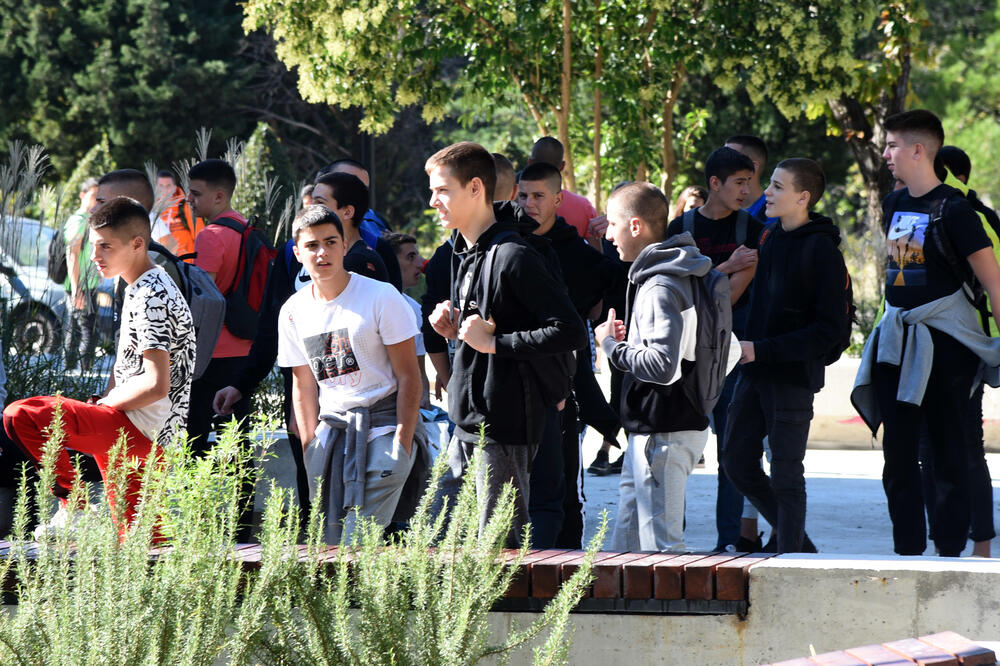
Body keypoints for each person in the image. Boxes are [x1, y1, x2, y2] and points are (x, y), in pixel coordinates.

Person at [853, 110, 1000, 557]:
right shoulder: (897, 204)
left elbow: (993, 283)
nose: (885, 155)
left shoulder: (956, 210)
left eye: (892, 145)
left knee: (949, 451)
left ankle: (952, 553)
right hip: (898, 342)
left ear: (919, 150)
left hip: (949, 348)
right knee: (897, 456)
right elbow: (902, 277)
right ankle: (908, 551)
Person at [3, 197, 195, 536]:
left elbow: (156, 383)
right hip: (148, 434)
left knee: (21, 415)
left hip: (137, 430)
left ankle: (75, 505)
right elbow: (130, 366)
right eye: (93, 246)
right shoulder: (141, 284)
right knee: (144, 545)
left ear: (138, 244)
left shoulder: (151, 293)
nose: (94, 256)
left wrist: (105, 406)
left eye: (105, 246)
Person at [428, 141, 586, 547]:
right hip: (466, 421)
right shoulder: (464, 252)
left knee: (500, 551)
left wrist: (496, 343)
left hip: (504, 425)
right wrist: (456, 327)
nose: (434, 201)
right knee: (445, 539)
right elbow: (485, 328)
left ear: (476, 188)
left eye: (442, 190)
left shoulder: (514, 254)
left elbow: (568, 329)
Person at [277, 205, 423, 544]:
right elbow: (303, 386)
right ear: (298, 253)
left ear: (345, 245)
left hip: (384, 426)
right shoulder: (293, 311)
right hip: (332, 436)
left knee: (357, 543)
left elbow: (410, 376)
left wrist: (402, 444)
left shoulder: (381, 297)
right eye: (312, 245)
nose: (322, 252)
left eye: (330, 242)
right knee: (331, 545)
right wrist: (311, 446)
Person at [721, 158, 846, 554]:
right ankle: (798, 544)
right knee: (736, 461)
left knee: (786, 474)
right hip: (753, 371)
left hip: (791, 379)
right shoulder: (770, 236)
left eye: (777, 186)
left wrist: (764, 350)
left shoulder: (823, 250)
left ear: (803, 197)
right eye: (769, 184)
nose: (767, 193)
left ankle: (790, 556)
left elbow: (829, 332)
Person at [597, 181, 729, 552]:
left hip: (664, 432)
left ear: (635, 226)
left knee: (661, 553)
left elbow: (662, 365)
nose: (608, 235)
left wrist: (610, 346)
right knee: (626, 547)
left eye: (612, 224)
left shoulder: (660, 284)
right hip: (658, 429)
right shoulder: (684, 272)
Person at [517, 161, 621, 548]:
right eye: (523, 195)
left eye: (539, 196)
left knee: (561, 490)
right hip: (511, 385)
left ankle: (563, 566)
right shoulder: (504, 245)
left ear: (558, 199)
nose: (530, 204)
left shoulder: (579, 254)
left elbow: (610, 293)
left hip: (563, 386)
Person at [666, 146, 763, 552]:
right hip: (686, 356)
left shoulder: (753, 231)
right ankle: (672, 539)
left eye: (750, 182)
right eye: (740, 182)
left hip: (733, 355)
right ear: (715, 184)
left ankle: (728, 544)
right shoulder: (679, 227)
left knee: (733, 453)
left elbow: (723, 297)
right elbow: (674, 290)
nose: (748, 190)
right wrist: (723, 270)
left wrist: (704, 278)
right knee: (676, 453)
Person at [185, 159, 255, 456]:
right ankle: (244, 503)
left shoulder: (210, 235)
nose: (189, 200)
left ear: (219, 196)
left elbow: (204, 299)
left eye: (196, 193)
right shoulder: (247, 229)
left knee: (195, 437)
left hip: (213, 352)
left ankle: (196, 501)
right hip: (246, 347)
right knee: (238, 438)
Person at [317, 159, 402, 290]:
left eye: (362, 189)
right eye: (345, 183)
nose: (355, 194)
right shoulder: (293, 250)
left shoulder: (378, 248)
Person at [311, 172, 391, 283]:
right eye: (311, 202)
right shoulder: (304, 252)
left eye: (319, 202)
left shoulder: (360, 262)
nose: (310, 209)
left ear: (347, 212)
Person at [382, 231, 431, 408]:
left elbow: (419, 370)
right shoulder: (372, 304)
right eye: (411, 257)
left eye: (417, 256)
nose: (420, 264)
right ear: (389, 261)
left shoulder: (415, 309)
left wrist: (424, 399)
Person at [528, 136, 601, 248]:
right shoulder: (583, 206)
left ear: (530, 162)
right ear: (562, 166)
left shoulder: (517, 202)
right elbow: (597, 256)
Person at [63, 177, 101, 371]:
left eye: (99, 197)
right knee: (88, 332)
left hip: (88, 284)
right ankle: (82, 372)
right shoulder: (78, 221)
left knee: (76, 330)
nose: (96, 201)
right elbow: (72, 254)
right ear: (82, 195)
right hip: (80, 286)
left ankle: (68, 370)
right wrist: (77, 289)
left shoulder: (89, 220)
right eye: (93, 195)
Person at [153, 170, 204, 261]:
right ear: (156, 187)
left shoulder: (186, 205)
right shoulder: (153, 209)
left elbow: (199, 235)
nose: (164, 190)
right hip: (164, 262)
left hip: (186, 262)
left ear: (174, 187)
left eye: (168, 186)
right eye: (161, 186)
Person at [725, 135, 769, 221]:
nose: (721, 164)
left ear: (752, 167)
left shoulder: (774, 215)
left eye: (728, 159)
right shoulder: (717, 212)